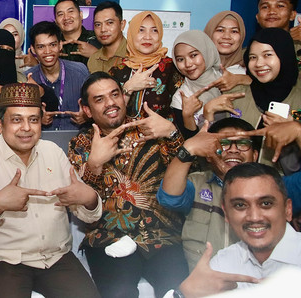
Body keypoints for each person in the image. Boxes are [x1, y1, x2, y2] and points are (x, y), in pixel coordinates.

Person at [68, 71, 223, 297]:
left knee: (178, 290)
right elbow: (82, 208)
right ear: (87, 110)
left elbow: (192, 178)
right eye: (99, 99)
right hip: (108, 239)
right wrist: (94, 165)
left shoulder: (152, 129)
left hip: (162, 236)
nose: (110, 103)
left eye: (115, 94)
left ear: (124, 97)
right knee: (118, 294)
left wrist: (172, 133)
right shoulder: (81, 144)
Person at [0, 83, 102, 298]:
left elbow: (89, 213)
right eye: (16, 120)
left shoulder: (53, 153)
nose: (26, 128)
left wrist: (89, 199)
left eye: (33, 119)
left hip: (54, 256)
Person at [176, 163, 300, 296]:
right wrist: (184, 294)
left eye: (266, 203)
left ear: (287, 209)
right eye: (240, 205)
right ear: (226, 214)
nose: (254, 217)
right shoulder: (223, 264)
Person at [157, 117, 261, 271]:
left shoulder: (270, 187)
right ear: (208, 154)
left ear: (255, 155)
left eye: (243, 143)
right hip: (203, 283)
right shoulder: (196, 183)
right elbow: (169, 198)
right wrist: (189, 149)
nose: (233, 149)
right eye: (224, 143)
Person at [215, 28, 301, 170]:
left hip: (287, 188)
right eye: (253, 57)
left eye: (267, 55)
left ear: (284, 55)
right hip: (238, 182)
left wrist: (295, 128)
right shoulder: (236, 95)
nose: (259, 63)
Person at [109, 10, 183, 122]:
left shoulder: (172, 68)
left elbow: (182, 115)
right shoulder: (117, 70)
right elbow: (109, 115)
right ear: (132, 33)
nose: (147, 37)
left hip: (162, 137)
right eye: (141, 30)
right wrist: (128, 88)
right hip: (124, 136)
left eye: (154, 30)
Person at [26, 21, 90, 130]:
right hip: (40, 143)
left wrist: (87, 116)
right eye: (41, 47)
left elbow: (96, 106)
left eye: (52, 45)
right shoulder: (27, 78)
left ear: (60, 45)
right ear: (33, 49)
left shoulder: (80, 72)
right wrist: (36, 119)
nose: (48, 51)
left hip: (76, 141)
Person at [170, 30, 224, 137]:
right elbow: (190, 144)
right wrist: (187, 115)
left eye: (193, 55)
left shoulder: (228, 82)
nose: (188, 64)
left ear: (206, 52)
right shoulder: (181, 97)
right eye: (180, 59)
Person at [203, 10, 252, 93]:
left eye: (234, 31)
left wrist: (241, 79)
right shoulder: (193, 67)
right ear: (209, 33)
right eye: (220, 30)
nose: (226, 36)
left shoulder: (252, 71)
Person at [54, 0, 100, 65]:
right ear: (56, 21)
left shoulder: (98, 38)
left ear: (81, 15)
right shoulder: (53, 44)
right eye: (60, 14)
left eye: (70, 11)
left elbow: (115, 68)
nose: (66, 17)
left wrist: (96, 55)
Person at [87, 1, 127, 74]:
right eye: (98, 24)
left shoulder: (134, 55)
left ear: (122, 25)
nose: (103, 29)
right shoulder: (93, 59)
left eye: (109, 23)